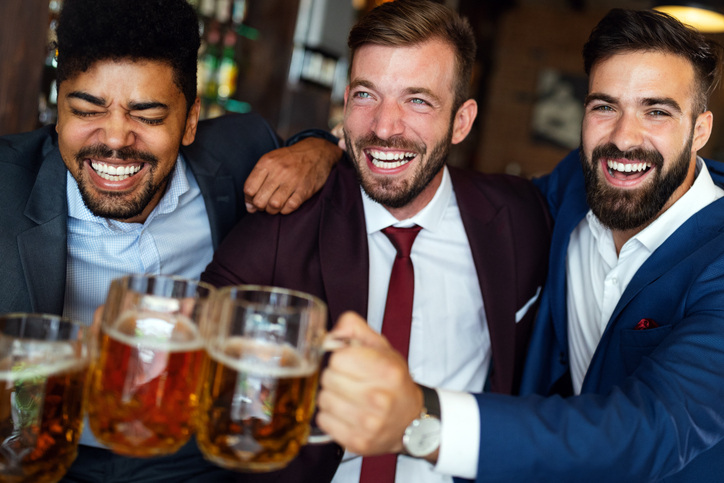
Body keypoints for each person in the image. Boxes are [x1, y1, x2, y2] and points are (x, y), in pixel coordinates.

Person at [315, 7, 724, 483]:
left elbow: (646, 430)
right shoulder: (577, 183)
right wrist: (321, 150)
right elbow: (471, 195)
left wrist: (419, 419)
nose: (623, 138)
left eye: (656, 111)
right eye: (604, 106)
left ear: (700, 130)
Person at [201, 2, 551, 483]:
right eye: (367, 95)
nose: (385, 127)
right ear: (346, 102)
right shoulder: (282, 225)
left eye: (418, 101)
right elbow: (204, 359)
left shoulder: (521, 215)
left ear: (462, 121)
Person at [0, 0, 341, 480]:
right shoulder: (5, 185)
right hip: (46, 454)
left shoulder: (241, 150)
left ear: (192, 119)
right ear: (58, 109)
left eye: (148, 115)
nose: (116, 138)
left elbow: (306, 146)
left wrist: (318, 148)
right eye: (86, 109)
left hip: (190, 456)